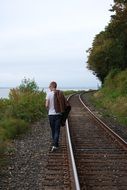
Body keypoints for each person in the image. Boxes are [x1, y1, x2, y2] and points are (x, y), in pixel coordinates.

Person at [45, 81, 67, 152]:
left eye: (49, 86)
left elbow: (46, 105)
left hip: (51, 115)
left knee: (53, 130)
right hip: (58, 115)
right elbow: (64, 103)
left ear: (52, 86)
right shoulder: (60, 93)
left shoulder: (48, 94)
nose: (49, 87)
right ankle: (55, 145)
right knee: (57, 130)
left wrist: (48, 109)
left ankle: (55, 145)